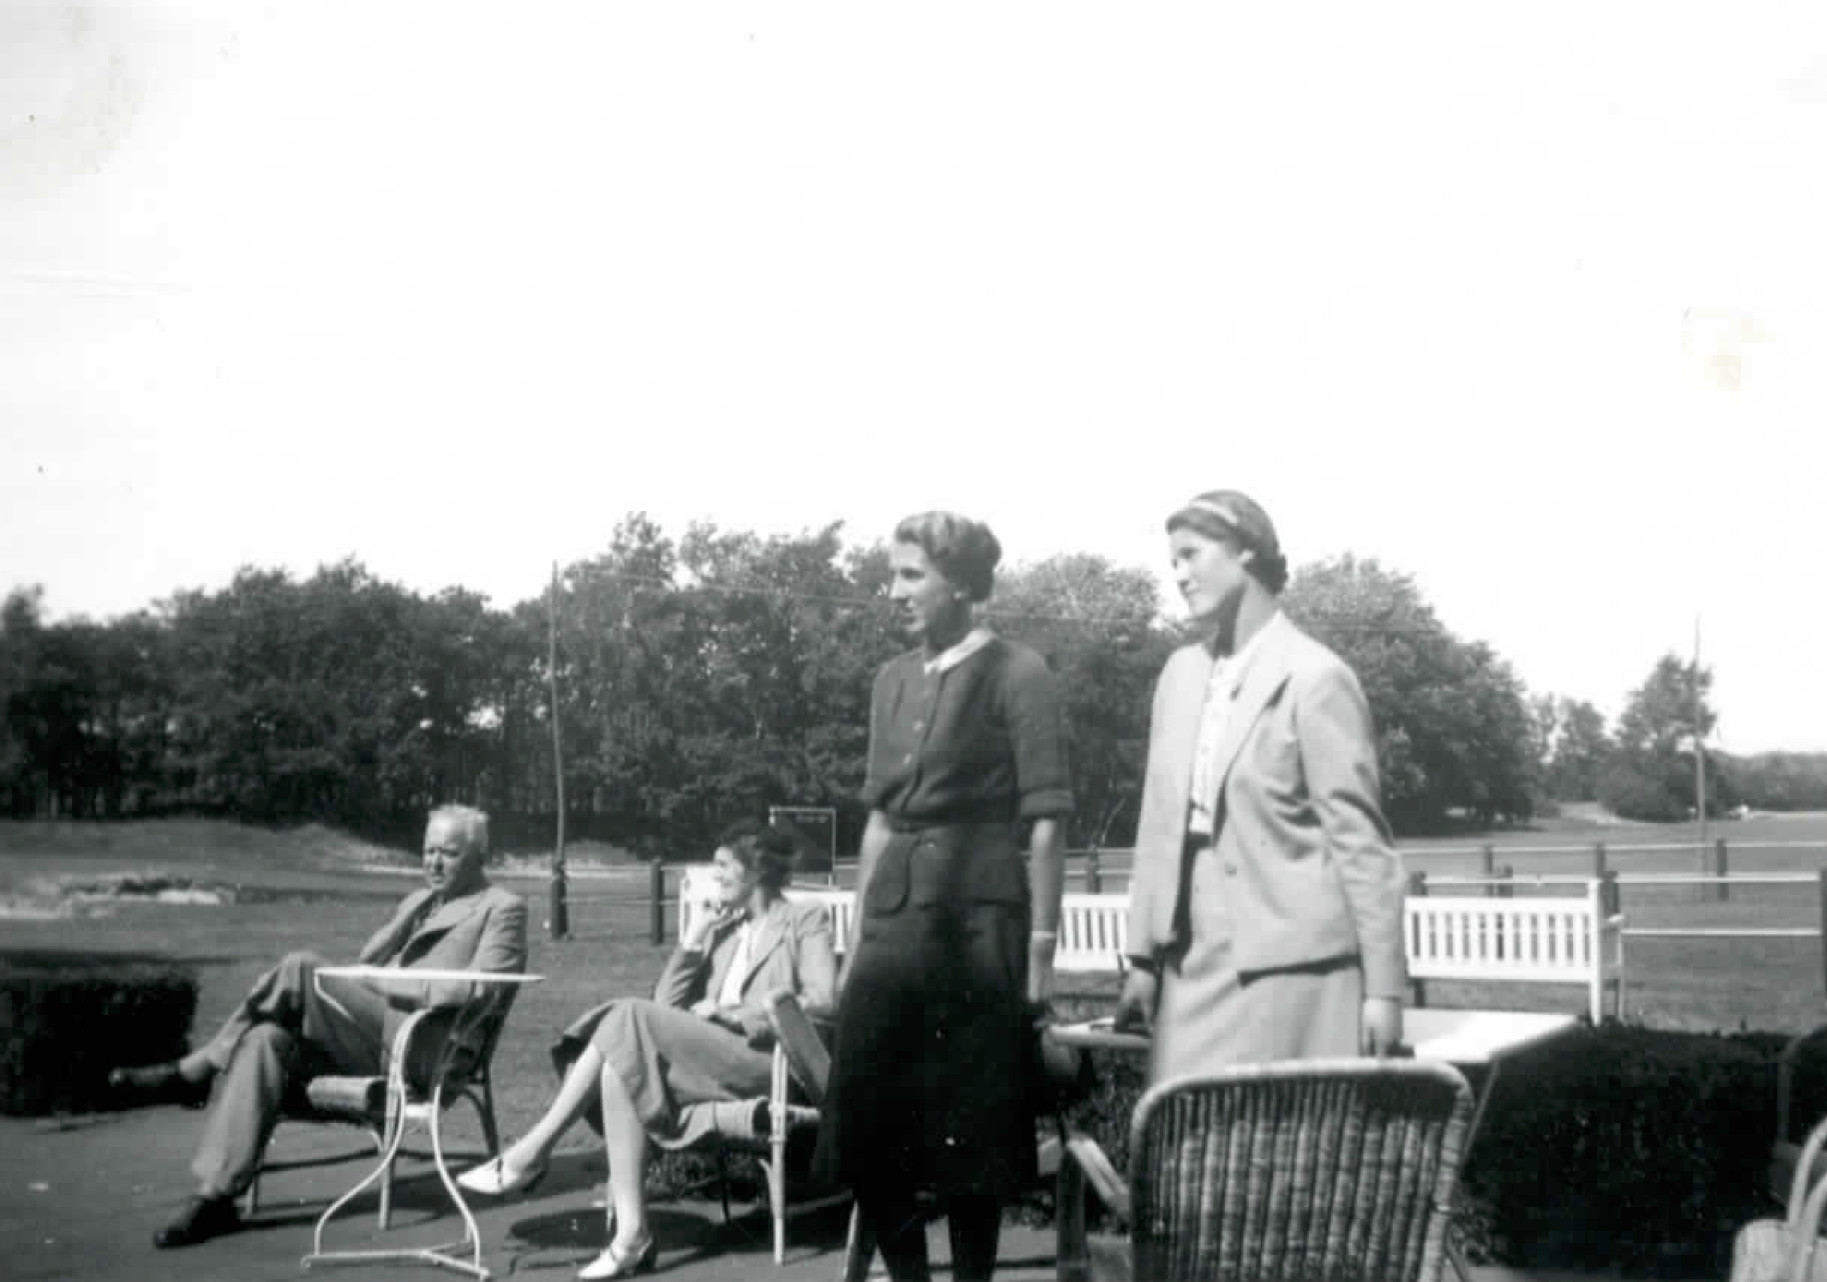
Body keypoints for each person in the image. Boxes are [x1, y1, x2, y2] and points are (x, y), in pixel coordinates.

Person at [815, 511, 1073, 1282]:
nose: (892, 591)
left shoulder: (1020, 672)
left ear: (960, 582)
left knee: (973, 1132)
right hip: (892, 928)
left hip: (981, 926)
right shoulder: (890, 680)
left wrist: (1040, 954)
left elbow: (1047, 822)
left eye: (910, 575)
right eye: (890, 575)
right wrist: (857, 945)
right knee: (865, 1127)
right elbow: (878, 821)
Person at [108, 803, 528, 1249]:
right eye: (428, 851)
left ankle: (197, 1070)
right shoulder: (420, 902)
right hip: (380, 1039)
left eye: (448, 853)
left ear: (479, 856)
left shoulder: (502, 908)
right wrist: (407, 918)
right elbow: (367, 960)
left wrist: (389, 984)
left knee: (301, 967)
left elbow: (483, 988)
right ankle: (214, 1197)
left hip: (429, 1048)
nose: (433, 863)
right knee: (264, 1040)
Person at [457, 820, 836, 1281]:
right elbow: (665, 1005)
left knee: (628, 1019)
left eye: (722, 865)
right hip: (706, 1064)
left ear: (755, 867)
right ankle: (631, 1237)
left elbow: (823, 1001)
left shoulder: (804, 919)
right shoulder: (724, 931)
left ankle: (532, 1152)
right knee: (621, 1066)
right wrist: (696, 936)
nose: (713, 876)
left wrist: (736, 1015)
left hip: (765, 1062)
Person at [1112, 489, 1406, 1080]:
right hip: (1190, 955)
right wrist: (1142, 957)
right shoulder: (1179, 674)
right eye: (1173, 561)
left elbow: (1359, 842)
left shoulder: (1316, 676)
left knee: (1285, 1131)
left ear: (1245, 551)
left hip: (1297, 965)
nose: (1179, 575)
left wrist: (1384, 990)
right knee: (1181, 1122)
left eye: (1191, 555)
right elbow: (1158, 821)